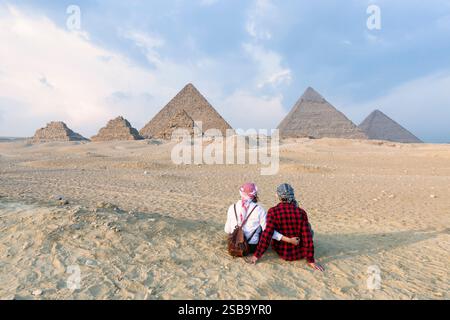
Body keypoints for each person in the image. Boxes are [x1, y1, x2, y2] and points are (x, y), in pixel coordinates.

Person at [246, 183, 324, 272]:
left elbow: (267, 234)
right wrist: (311, 260)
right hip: (299, 252)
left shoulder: (273, 211)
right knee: (309, 229)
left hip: (281, 251)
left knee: (270, 229)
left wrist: (256, 256)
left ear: (278, 196)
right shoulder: (301, 212)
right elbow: (307, 237)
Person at [225, 183, 299, 254]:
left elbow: (227, 230)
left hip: (234, 245)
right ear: (254, 195)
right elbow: (269, 231)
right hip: (251, 247)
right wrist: (289, 240)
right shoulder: (259, 209)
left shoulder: (232, 207)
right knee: (263, 227)